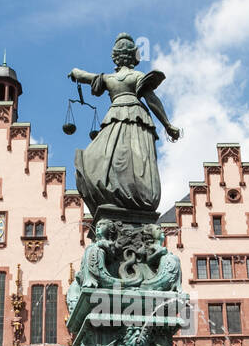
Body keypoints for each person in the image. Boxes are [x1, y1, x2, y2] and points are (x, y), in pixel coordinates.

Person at [67, 33, 181, 216]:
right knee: (134, 159)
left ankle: (119, 193)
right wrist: (167, 124)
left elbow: (85, 76)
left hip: (118, 117)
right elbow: (152, 101)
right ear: (135, 57)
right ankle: (130, 193)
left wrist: (75, 73)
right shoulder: (136, 76)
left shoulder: (110, 79)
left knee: (112, 157)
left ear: (115, 57)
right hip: (136, 117)